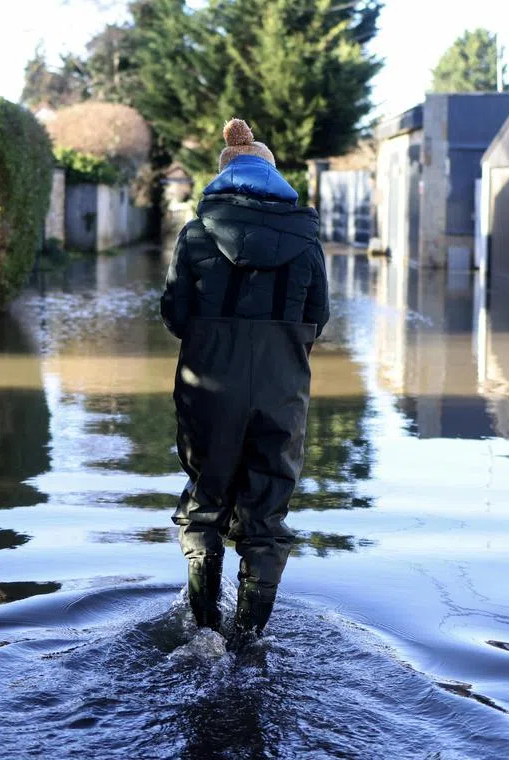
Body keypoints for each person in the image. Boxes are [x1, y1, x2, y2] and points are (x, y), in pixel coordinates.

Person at [160, 118, 330, 640]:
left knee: (205, 505)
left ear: (223, 177)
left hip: (208, 385)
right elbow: (317, 317)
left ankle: (204, 634)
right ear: (273, 179)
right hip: (282, 389)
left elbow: (174, 315)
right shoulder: (305, 239)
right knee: (266, 517)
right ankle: (249, 643)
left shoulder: (195, 233)